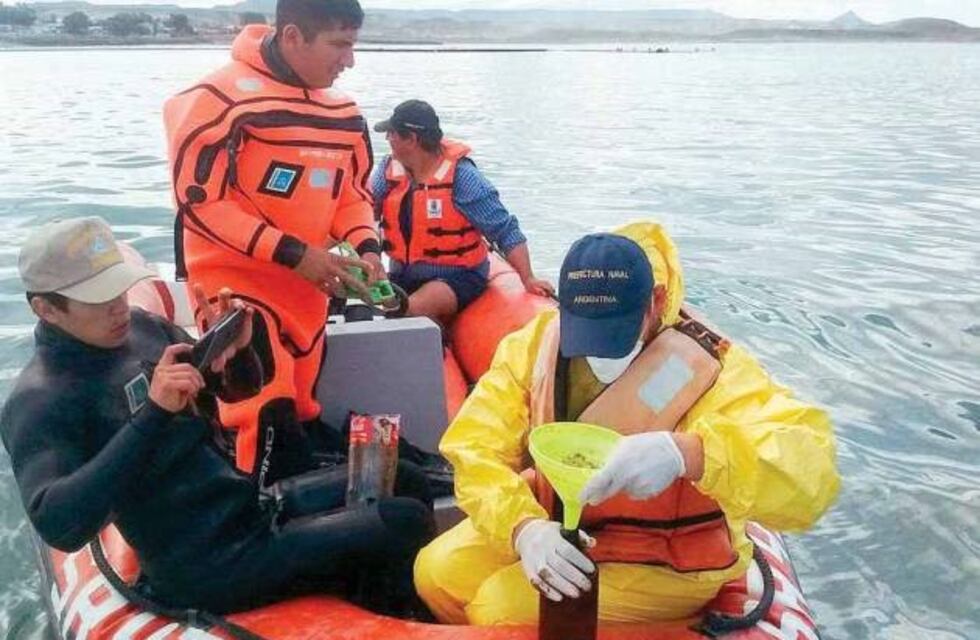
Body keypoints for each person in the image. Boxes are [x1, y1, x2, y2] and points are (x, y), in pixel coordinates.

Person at [413, 221, 840, 625]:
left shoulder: (712, 368)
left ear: (654, 302)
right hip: (558, 522)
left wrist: (690, 455)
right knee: (435, 574)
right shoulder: (536, 343)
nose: (598, 354)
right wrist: (523, 528)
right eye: (586, 332)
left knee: (498, 607)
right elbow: (474, 446)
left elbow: (811, 474)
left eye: (615, 332)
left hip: (669, 557)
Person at [1, 217, 434, 615]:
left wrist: (239, 351)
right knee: (401, 523)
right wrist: (152, 414)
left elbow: (238, 390)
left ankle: (367, 594)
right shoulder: (41, 399)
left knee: (408, 477)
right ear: (47, 309)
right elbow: (60, 525)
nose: (116, 307)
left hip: (246, 508)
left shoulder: (142, 329)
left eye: (117, 290)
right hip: (203, 564)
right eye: (97, 300)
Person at [163, 0, 382, 486]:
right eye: (340, 44)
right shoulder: (216, 101)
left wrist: (367, 248)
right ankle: (255, 527)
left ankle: (307, 509)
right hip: (235, 291)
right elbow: (201, 201)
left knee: (301, 407)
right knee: (263, 412)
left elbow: (351, 194)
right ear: (292, 37)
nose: (349, 60)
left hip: (308, 294)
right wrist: (294, 253)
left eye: (353, 44)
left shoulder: (344, 114)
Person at [372, 99, 553, 323]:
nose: (388, 139)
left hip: (457, 278)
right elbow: (364, 211)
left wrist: (528, 278)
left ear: (412, 139)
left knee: (406, 311)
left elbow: (505, 230)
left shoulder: (463, 178)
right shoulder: (387, 171)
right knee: (371, 308)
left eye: (392, 134)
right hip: (402, 275)